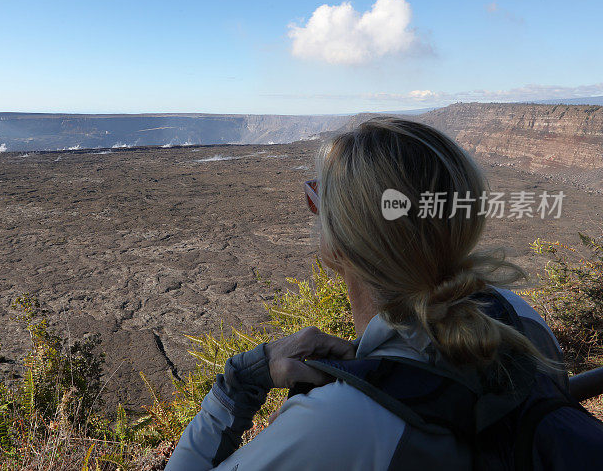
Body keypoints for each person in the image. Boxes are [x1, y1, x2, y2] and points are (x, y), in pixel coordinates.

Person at [165, 117, 578, 470]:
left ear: (341, 241)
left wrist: (241, 382)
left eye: (317, 199)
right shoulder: (517, 318)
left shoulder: (339, 423)